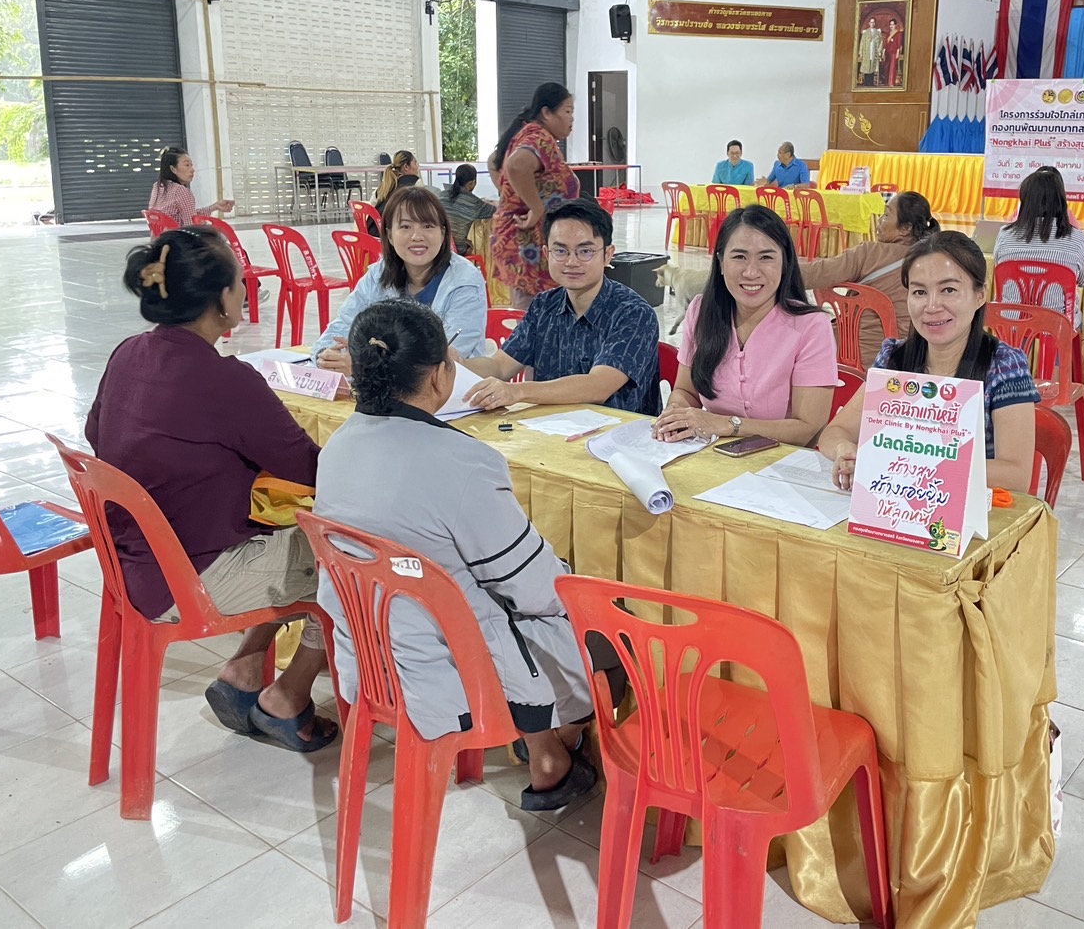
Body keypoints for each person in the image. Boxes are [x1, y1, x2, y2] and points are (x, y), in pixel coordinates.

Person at [313, 300, 602, 810]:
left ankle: (546, 749)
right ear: (442, 377)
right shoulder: (463, 461)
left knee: (482, 589)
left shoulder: (337, 448)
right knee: (601, 623)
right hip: (449, 672)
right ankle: (552, 749)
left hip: (371, 659)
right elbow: (534, 589)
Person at [86, 227, 335, 752]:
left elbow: (95, 434)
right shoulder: (227, 381)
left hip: (129, 562)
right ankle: (288, 697)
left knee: (283, 534)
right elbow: (313, 469)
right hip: (188, 579)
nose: (247, 292)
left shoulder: (128, 354)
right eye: (242, 282)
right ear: (222, 298)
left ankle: (243, 675)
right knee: (347, 554)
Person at [819, 231, 1039, 492]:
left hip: (969, 517)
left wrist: (908, 465)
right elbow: (834, 433)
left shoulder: (1003, 367)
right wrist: (846, 450)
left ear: (980, 295)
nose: (932, 306)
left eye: (948, 290)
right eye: (920, 292)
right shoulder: (894, 359)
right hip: (897, 506)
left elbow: (1016, 475)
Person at [654, 205, 836, 448]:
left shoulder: (811, 326)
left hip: (780, 466)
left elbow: (806, 428)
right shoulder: (701, 310)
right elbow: (686, 392)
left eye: (766, 257)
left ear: (785, 263)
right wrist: (676, 414)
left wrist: (727, 424)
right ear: (720, 261)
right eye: (739, 257)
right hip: (711, 457)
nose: (751, 272)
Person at [457, 199, 660, 416]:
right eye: (561, 251)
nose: (572, 262)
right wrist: (456, 363)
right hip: (549, 430)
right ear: (546, 254)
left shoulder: (633, 313)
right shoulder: (544, 305)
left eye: (585, 251)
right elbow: (500, 367)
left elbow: (598, 386)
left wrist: (517, 392)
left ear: (608, 254)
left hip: (619, 440)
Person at [312, 186, 488, 370]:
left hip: (450, 392)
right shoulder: (378, 274)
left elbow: (441, 357)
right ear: (389, 235)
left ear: (443, 233)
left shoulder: (465, 281)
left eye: (428, 226)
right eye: (405, 226)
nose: (417, 236)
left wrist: (367, 364)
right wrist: (326, 354)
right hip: (381, 391)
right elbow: (344, 323)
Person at [801, 191, 939, 368]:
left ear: (906, 229)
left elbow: (817, 274)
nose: (879, 221)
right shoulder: (933, 263)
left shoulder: (869, 254)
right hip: (902, 363)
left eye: (886, 214)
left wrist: (775, 267)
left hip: (847, 358)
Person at [490, 82, 579, 309]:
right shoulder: (539, 138)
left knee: (534, 312)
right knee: (532, 316)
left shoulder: (528, 133)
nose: (571, 119)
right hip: (527, 244)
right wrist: (535, 208)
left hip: (526, 241)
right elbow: (517, 165)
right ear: (547, 113)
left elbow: (494, 161)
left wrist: (511, 198)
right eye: (567, 111)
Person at [992, 165, 1084, 326]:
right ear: (1061, 200)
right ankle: (1059, 352)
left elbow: (1000, 267)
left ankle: (1014, 351)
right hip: (1056, 322)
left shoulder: (1005, 234)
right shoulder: (1077, 238)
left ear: (1025, 200)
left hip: (1011, 318)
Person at [148, 147, 232, 222]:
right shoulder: (180, 191)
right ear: (173, 169)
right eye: (187, 165)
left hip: (161, 238)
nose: (192, 170)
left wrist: (215, 207)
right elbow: (191, 223)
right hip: (178, 238)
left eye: (191, 165)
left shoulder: (158, 186)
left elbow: (189, 213)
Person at [440, 163, 496, 254]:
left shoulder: (442, 195)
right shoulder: (475, 203)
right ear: (472, 183)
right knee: (471, 246)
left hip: (439, 245)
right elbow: (495, 211)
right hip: (456, 250)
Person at [857, 17, 884, 86]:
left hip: (874, 52)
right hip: (867, 52)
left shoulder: (877, 32)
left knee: (872, 66)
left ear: (875, 23)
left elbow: (881, 42)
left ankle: (871, 83)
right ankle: (866, 83)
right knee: (866, 67)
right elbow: (862, 43)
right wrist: (861, 52)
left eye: (873, 22)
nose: (872, 23)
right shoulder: (865, 32)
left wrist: (879, 51)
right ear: (869, 23)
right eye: (871, 22)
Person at [883, 17, 905, 87]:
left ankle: (891, 83)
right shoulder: (888, 33)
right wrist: (883, 51)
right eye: (890, 24)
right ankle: (886, 82)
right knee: (887, 67)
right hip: (888, 52)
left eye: (893, 24)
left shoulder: (898, 33)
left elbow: (899, 44)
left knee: (892, 68)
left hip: (894, 52)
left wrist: (898, 52)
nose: (891, 26)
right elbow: (886, 43)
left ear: (895, 25)